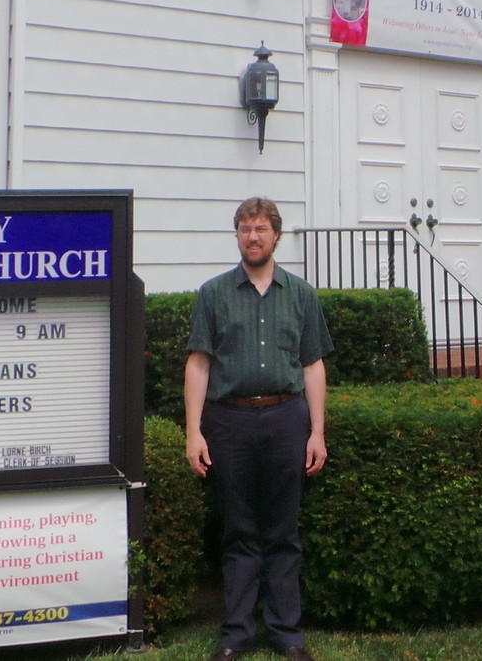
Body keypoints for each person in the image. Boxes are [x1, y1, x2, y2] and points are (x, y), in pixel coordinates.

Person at [184, 197, 332, 661]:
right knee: (239, 530)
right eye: (246, 229)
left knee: (284, 531)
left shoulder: (301, 295)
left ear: (276, 235)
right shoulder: (213, 294)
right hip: (229, 422)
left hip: (287, 418)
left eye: (261, 228)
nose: (253, 236)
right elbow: (199, 364)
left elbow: (312, 365)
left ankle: (287, 635)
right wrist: (193, 432)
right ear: (237, 235)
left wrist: (317, 432)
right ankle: (236, 635)